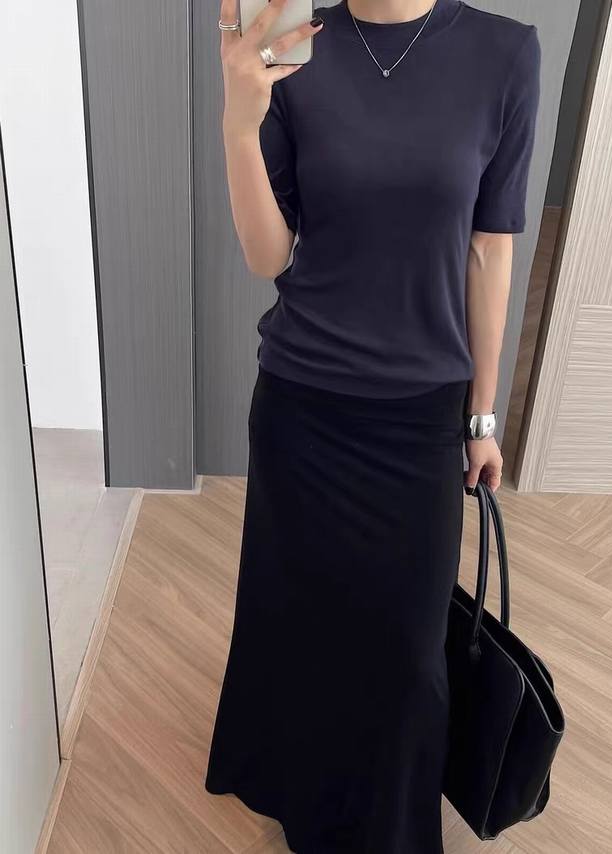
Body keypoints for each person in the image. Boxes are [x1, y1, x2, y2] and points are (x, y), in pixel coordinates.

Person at [205, 0, 541, 851]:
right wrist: (239, 124)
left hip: (420, 419)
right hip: (302, 408)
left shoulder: (505, 52)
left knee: (405, 654)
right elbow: (268, 256)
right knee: (302, 625)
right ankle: (304, 802)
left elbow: (490, 247)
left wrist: (482, 415)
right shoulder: (295, 49)